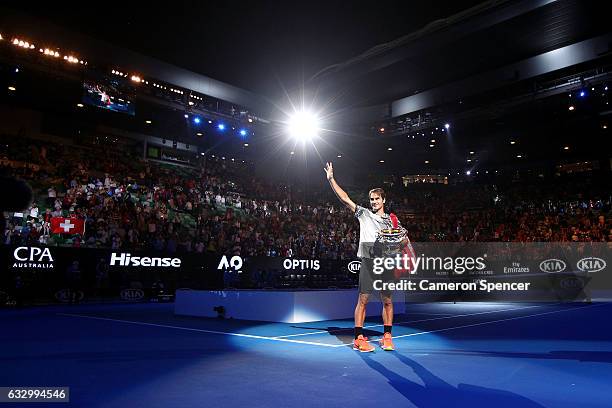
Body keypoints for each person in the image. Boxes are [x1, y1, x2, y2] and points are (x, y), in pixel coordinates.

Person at [324, 162, 402, 352]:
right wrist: (331, 179)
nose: (373, 201)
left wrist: (394, 246)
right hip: (368, 261)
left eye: (376, 198)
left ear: (383, 200)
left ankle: (387, 337)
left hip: (385, 263)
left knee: (388, 301)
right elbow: (345, 199)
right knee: (363, 300)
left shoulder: (392, 220)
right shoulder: (364, 214)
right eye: (371, 199)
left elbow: (402, 242)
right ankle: (359, 338)